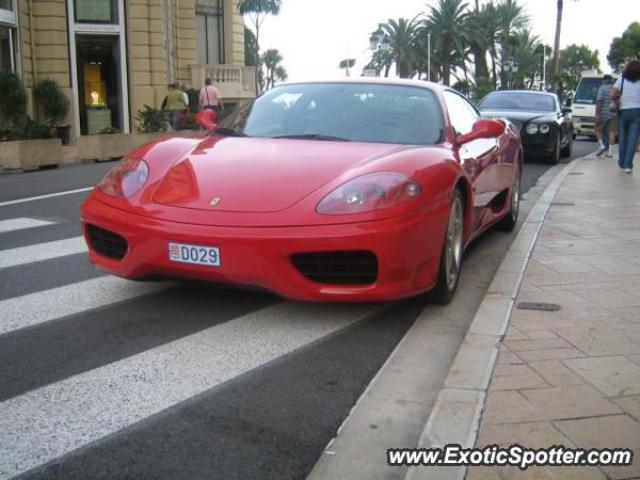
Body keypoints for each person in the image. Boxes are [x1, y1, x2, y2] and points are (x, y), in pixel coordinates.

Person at [612, 60, 640, 173]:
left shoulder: (622, 78)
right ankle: (628, 165)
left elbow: (613, 94)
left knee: (622, 138)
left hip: (623, 110)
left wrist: (620, 96)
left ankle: (622, 162)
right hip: (637, 111)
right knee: (633, 138)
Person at [595, 75, 617, 157]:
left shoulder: (602, 88)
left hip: (603, 113)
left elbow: (599, 101)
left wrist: (597, 114)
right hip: (614, 114)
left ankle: (602, 146)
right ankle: (610, 152)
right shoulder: (615, 88)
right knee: (612, 132)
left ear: (603, 80)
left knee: (598, 130)